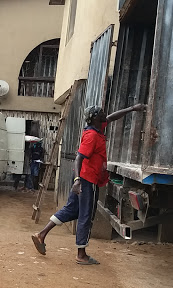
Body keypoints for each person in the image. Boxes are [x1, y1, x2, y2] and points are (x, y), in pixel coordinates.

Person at [31, 103, 146, 265]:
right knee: (86, 215)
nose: (104, 114)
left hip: (83, 179)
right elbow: (79, 158)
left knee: (71, 210)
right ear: (96, 118)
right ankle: (81, 254)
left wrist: (132, 109)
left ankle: (41, 234)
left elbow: (112, 117)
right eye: (101, 113)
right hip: (86, 181)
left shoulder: (97, 129)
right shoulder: (92, 136)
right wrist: (78, 181)